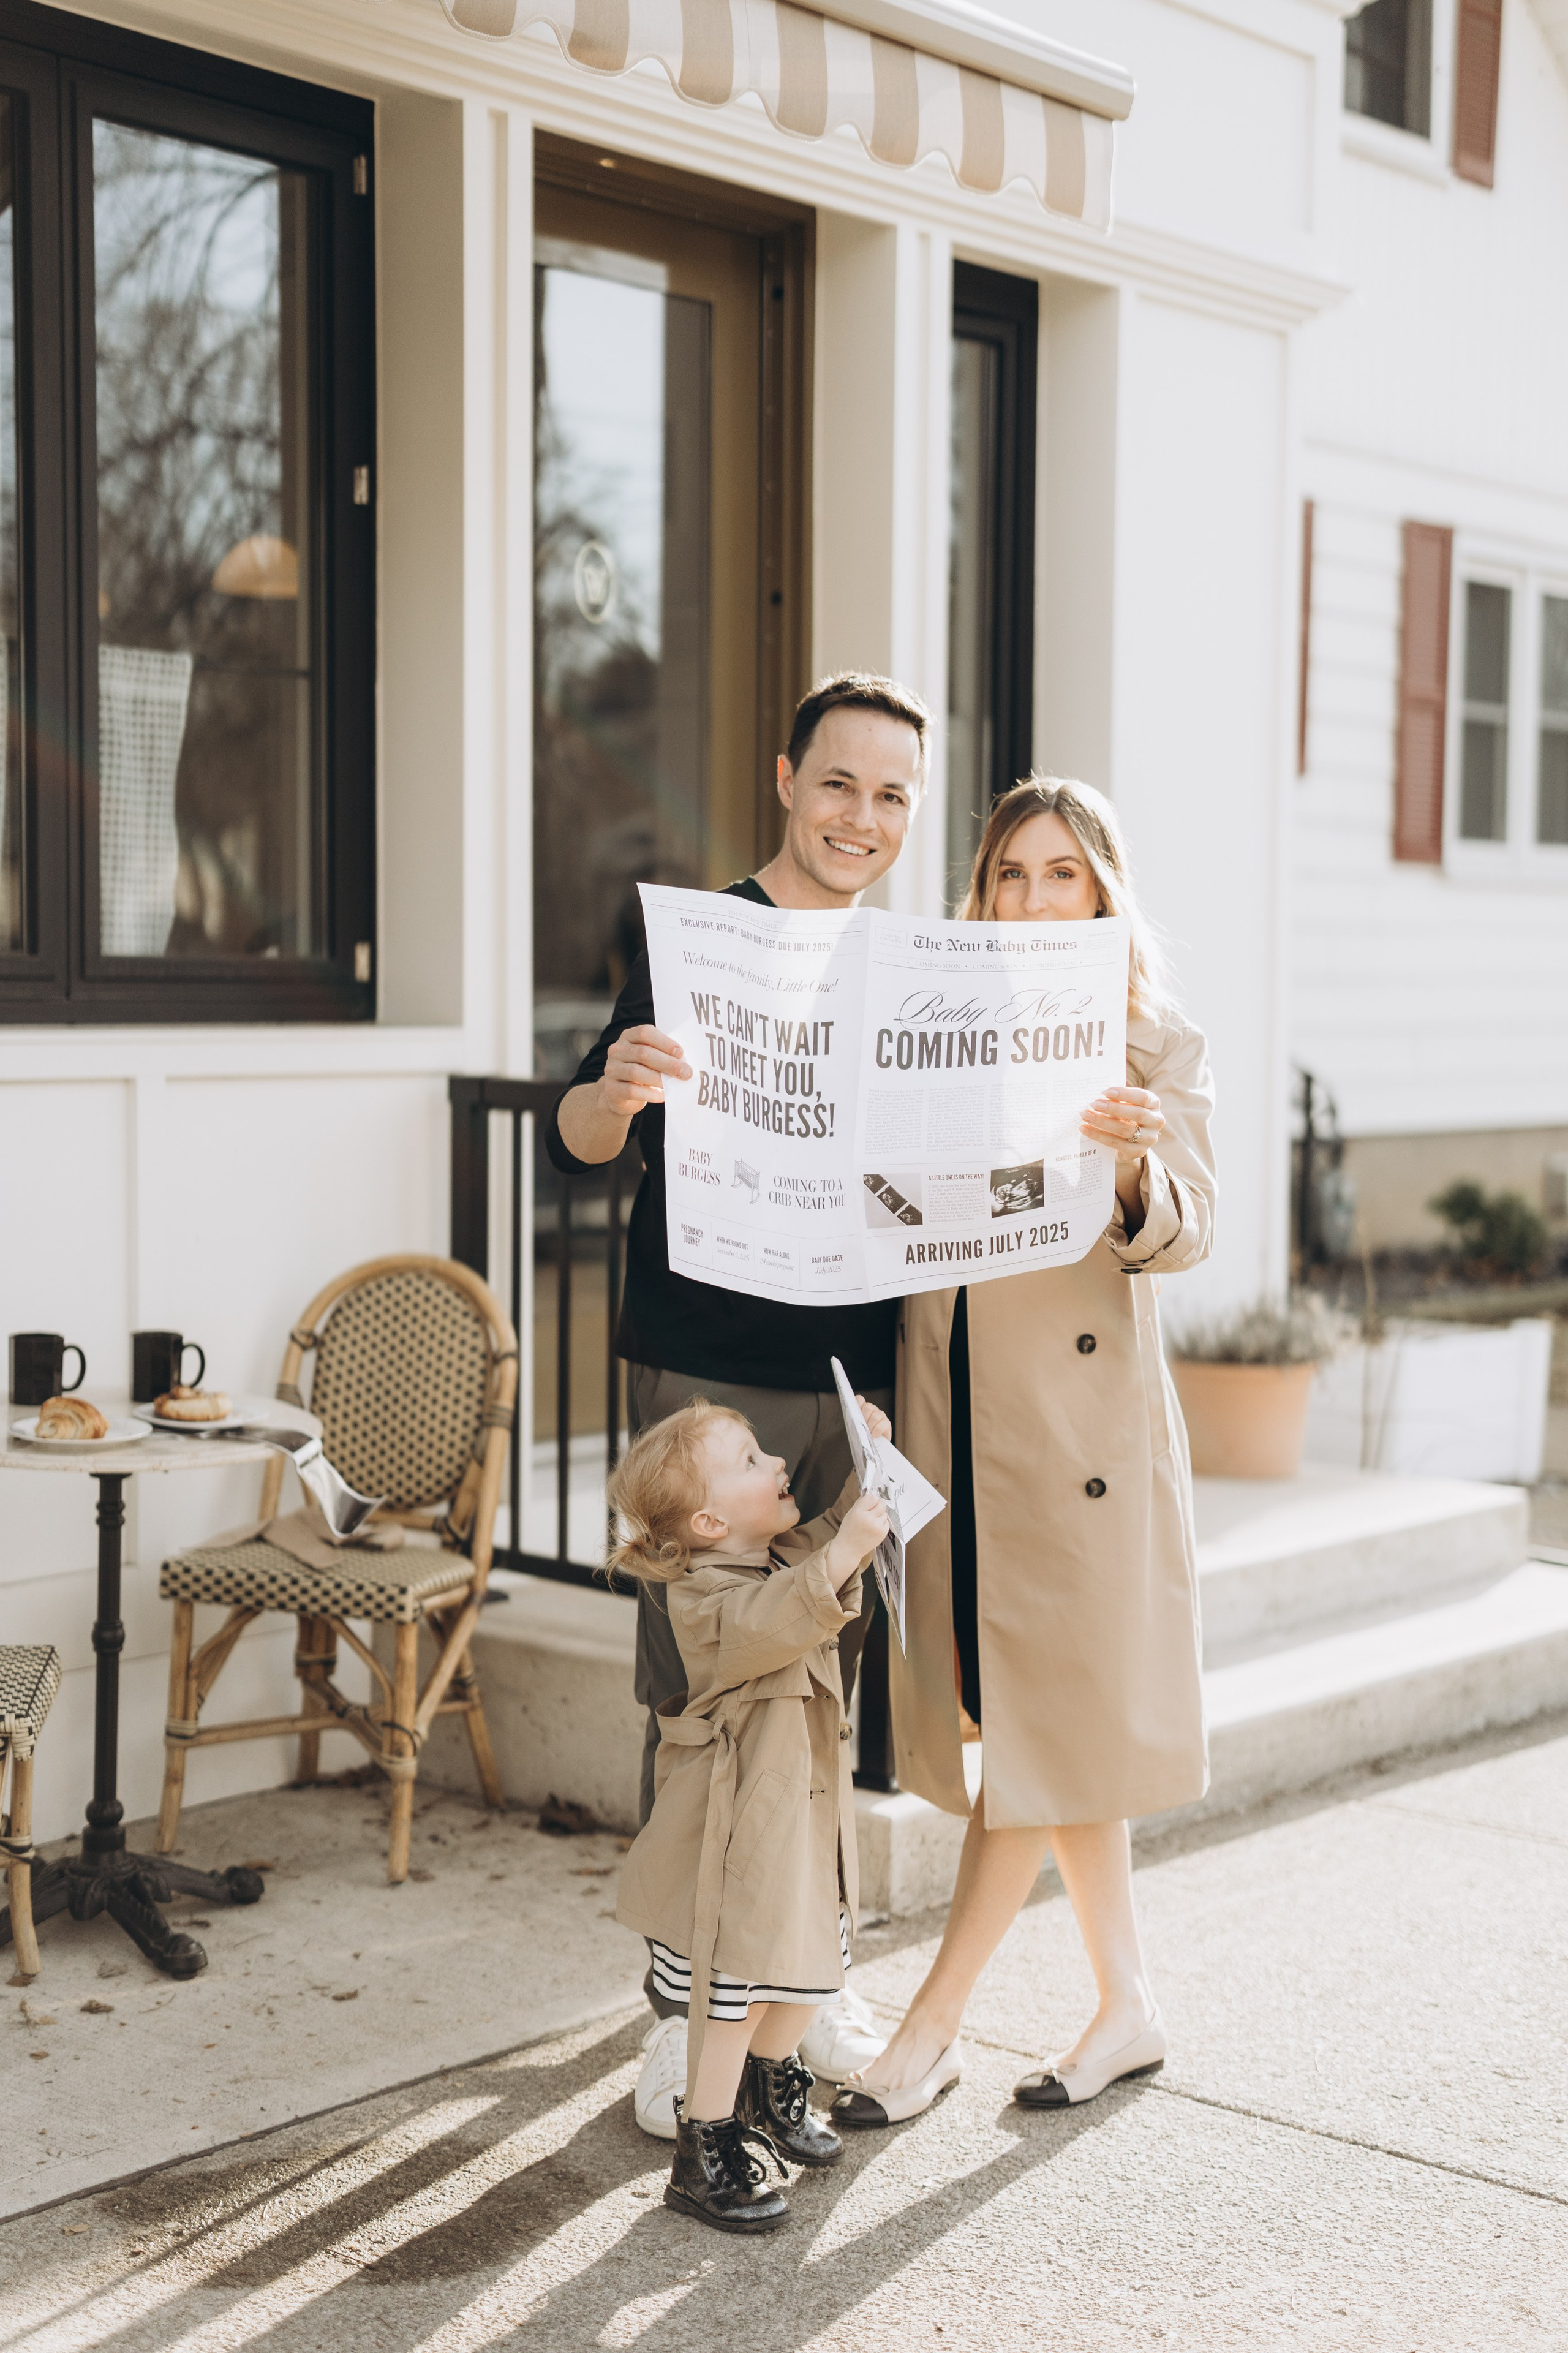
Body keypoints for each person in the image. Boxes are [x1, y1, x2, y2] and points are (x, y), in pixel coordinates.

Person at [546, 671, 930, 2129]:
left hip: (855, 1378)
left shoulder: (908, 975)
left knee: (822, 1695)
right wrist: (622, 1088)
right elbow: (581, 1134)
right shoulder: (694, 941)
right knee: (701, 1695)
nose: (862, 818)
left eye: (892, 794)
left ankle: (796, 2006)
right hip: (703, 1362)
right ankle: (673, 2020)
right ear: (784, 778)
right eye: (839, 783)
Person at [829, 776, 1216, 2129]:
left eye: (1063, 875)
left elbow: (1191, 1226)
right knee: (1042, 1721)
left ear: (1101, 892)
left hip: (1074, 1437)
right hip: (953, 1417)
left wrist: (1126, 1170)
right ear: (980, 891)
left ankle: (930, 2025)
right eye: (1010, 875)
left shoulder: (1152, 1039)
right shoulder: (933, 1021)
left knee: (1042, 1729)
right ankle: (1126, 2003)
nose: (1035, 899)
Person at [609, 1396, 891, 2233]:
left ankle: (773, 2083)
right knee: (729, 1997)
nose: (776, 1464)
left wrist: (862, 1467)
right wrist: (845, 1548)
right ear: (706, 1520)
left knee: (813, 1973)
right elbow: (776, 1619)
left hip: (798, 1827)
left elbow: (827, 1540)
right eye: (750, 1460)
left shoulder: (776, 1556)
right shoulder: (703, 1598)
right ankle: (706, 2142)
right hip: (736, 1841)